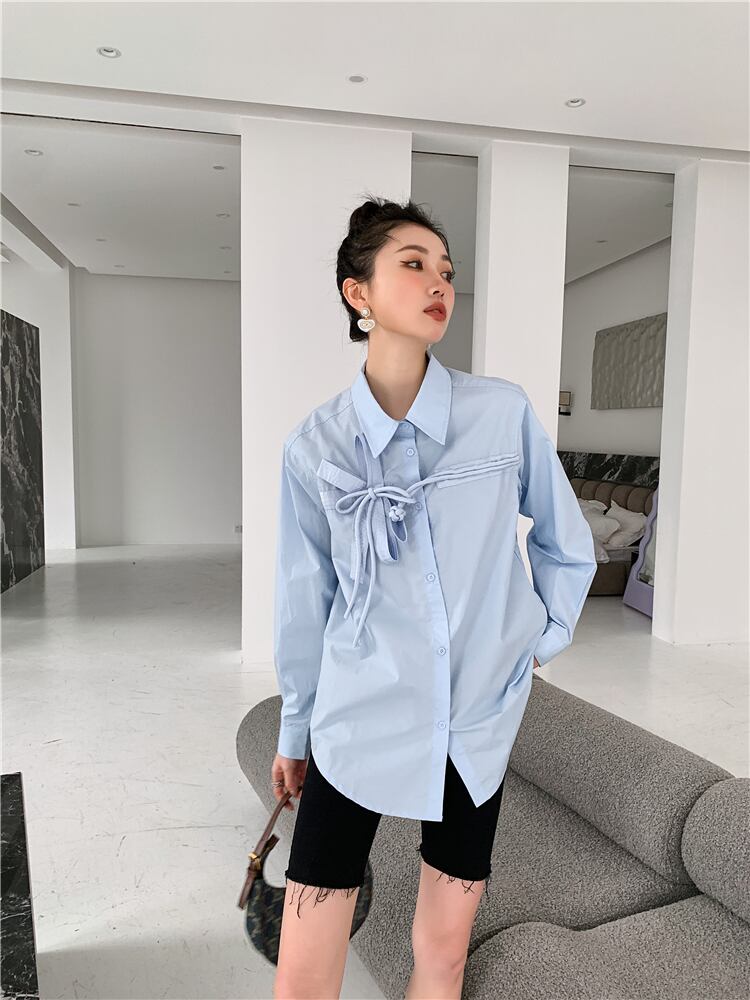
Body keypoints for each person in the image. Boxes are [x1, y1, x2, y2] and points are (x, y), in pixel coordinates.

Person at [270, 196, 598, 1000]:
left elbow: (566, 544)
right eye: (413, 265)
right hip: (356, 712)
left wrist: (533, 642)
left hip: (473, 721)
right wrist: (294, 727)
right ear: (358, 293)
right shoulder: (315, 445)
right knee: (305, 965)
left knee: (442, 953)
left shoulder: (501, 413)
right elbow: (305, 600)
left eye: (446, 270)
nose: (439, 283)